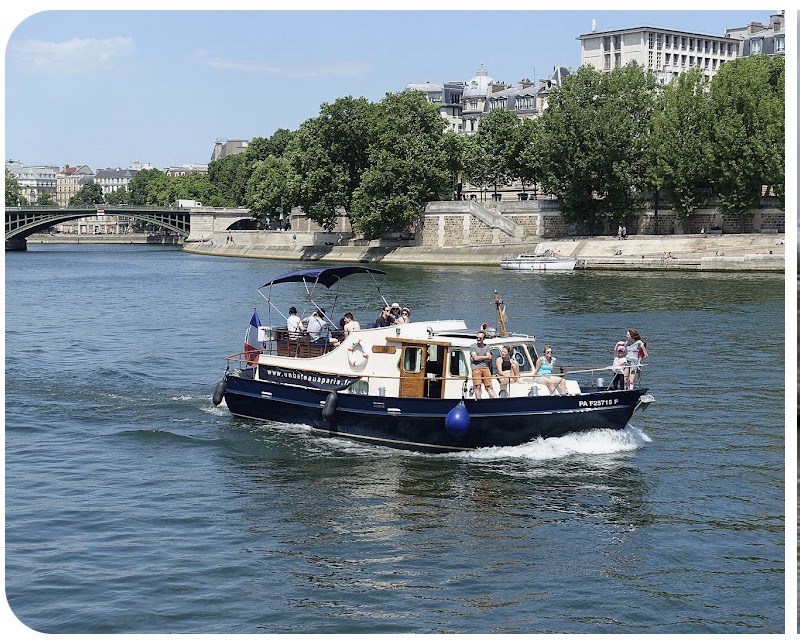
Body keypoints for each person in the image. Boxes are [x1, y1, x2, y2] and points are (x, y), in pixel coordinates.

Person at [469, 331, 497, 399]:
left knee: (489, 386)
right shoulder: (473, 346)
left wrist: (479, 358)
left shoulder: (487, 347)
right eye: (477, 338)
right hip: (476, 368)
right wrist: (485, 357)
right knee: (477, 386)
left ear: (484, 339)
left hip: (485, 368)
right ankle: (478, 400)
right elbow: (475, 358)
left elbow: (489, 358)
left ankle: (495, 400)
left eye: (480, 338)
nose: (478, 339)